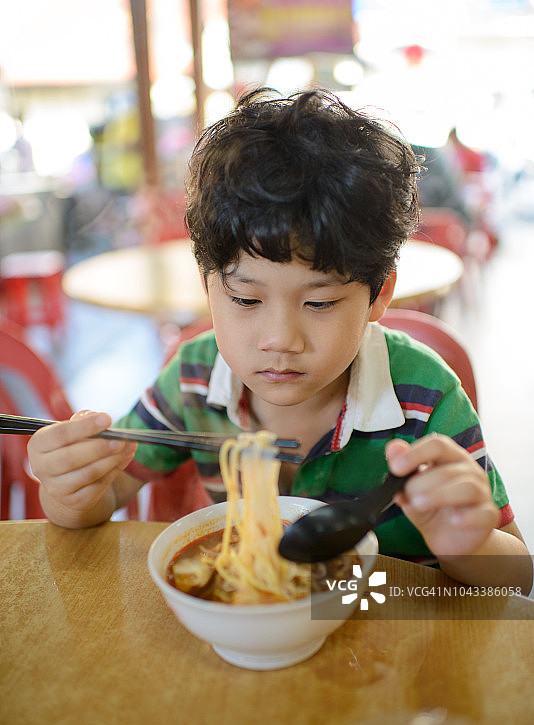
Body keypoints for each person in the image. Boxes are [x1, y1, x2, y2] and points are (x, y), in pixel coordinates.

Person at [28, 88, 532, 594]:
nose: (279, 339)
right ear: (208, 287)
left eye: (319, 304)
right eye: (246, 300)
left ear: (380, 295)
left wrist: (467, 543)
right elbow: (110, 489)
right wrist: (71, 493)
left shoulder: (425, 397)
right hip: (246, 636)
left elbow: (516, 575)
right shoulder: (194, 377)